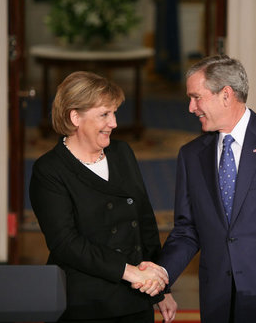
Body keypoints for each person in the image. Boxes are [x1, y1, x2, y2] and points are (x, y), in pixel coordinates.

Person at [143, 55, 256, 323]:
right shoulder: (192, 154)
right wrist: (161, 274)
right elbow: (187, 230)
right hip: (217, 299)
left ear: (226, 95)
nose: (190, 107)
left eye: (196, 97)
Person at [29, 71, 171, 323]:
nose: (114, 123)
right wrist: (127, 272)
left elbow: (145, 221)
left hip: (137, 295)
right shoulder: (49, 170)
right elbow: (66, 243)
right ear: (75, 117)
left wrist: (160, 289)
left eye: (114, 113)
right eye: (104, 114)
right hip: (86, 302)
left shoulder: (122, 152)